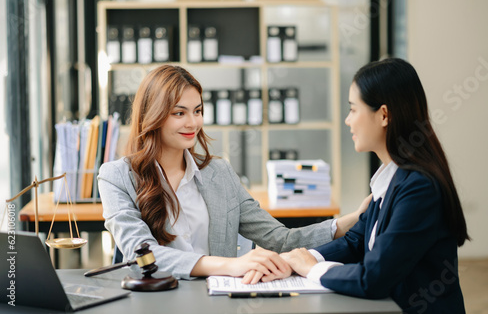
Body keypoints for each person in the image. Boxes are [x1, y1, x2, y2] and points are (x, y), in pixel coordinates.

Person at [98, 64, 370, 281]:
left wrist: (348, 221)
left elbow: (280, 239)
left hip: (217, 300)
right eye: (179, 113)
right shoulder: (116, 177)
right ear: (152, 116)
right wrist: (231, 265)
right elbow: (142, 253)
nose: (192, 122)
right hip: (153, 303)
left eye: (197, 110)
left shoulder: (219, 172)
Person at [270, 58, 469, 314]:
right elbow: (355, 241)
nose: (347, 120)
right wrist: (296, 260)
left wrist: (312, 268)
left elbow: (374, 278)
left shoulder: (420, 188)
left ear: (384, 115)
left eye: (353, 109)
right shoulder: (389, 178)